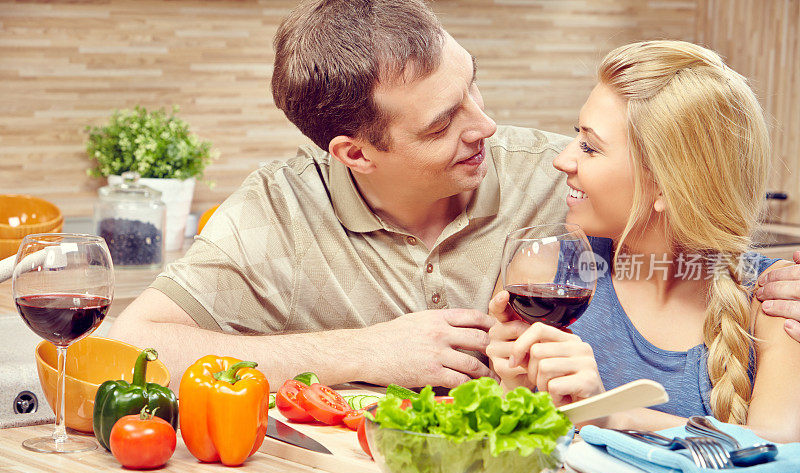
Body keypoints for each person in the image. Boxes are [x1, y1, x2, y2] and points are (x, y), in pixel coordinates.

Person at [110, 1, 800, 392]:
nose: (487, 126)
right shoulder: (277, 213)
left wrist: (777, 286)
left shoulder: (554, 179)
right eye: (443, 123)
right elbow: (127, 347)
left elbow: (689, 209)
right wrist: (361, 353)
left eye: (473, 84)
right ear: (355, 154)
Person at [486, 41, 800, 443]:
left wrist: (607, 411)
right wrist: (512, 384)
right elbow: (508, 444)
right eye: (575, 136)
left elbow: (777, 450)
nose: (562, 159)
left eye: (589, 147)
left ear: (666, 186)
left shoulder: (774, 298)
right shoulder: (544, 273)